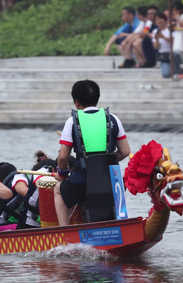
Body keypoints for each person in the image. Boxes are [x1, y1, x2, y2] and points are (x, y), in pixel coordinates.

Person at [53, 80, 130, 226]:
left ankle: (65, 233)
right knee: (118, 183)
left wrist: (62, 174)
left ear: (76, 102)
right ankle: (121, 225)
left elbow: (62, 157)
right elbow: (125, 151)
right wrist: (106, 161)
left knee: (58, 190)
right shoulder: (113, 118)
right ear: (97, 98)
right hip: (111, 182)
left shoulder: (72, 121)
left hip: (83, 181)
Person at [153, 12, 183, 78]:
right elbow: (156, 47)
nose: (159, 21)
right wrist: (157, 39)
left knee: (174, 56)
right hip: (163, 56)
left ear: (165, 19)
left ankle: (177, 70)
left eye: (160, 19)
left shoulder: (171, 28)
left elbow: (173, 41)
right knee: (166, 74)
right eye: (157, 19)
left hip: (173, 53)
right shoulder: (155, 31)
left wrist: (163, 37)